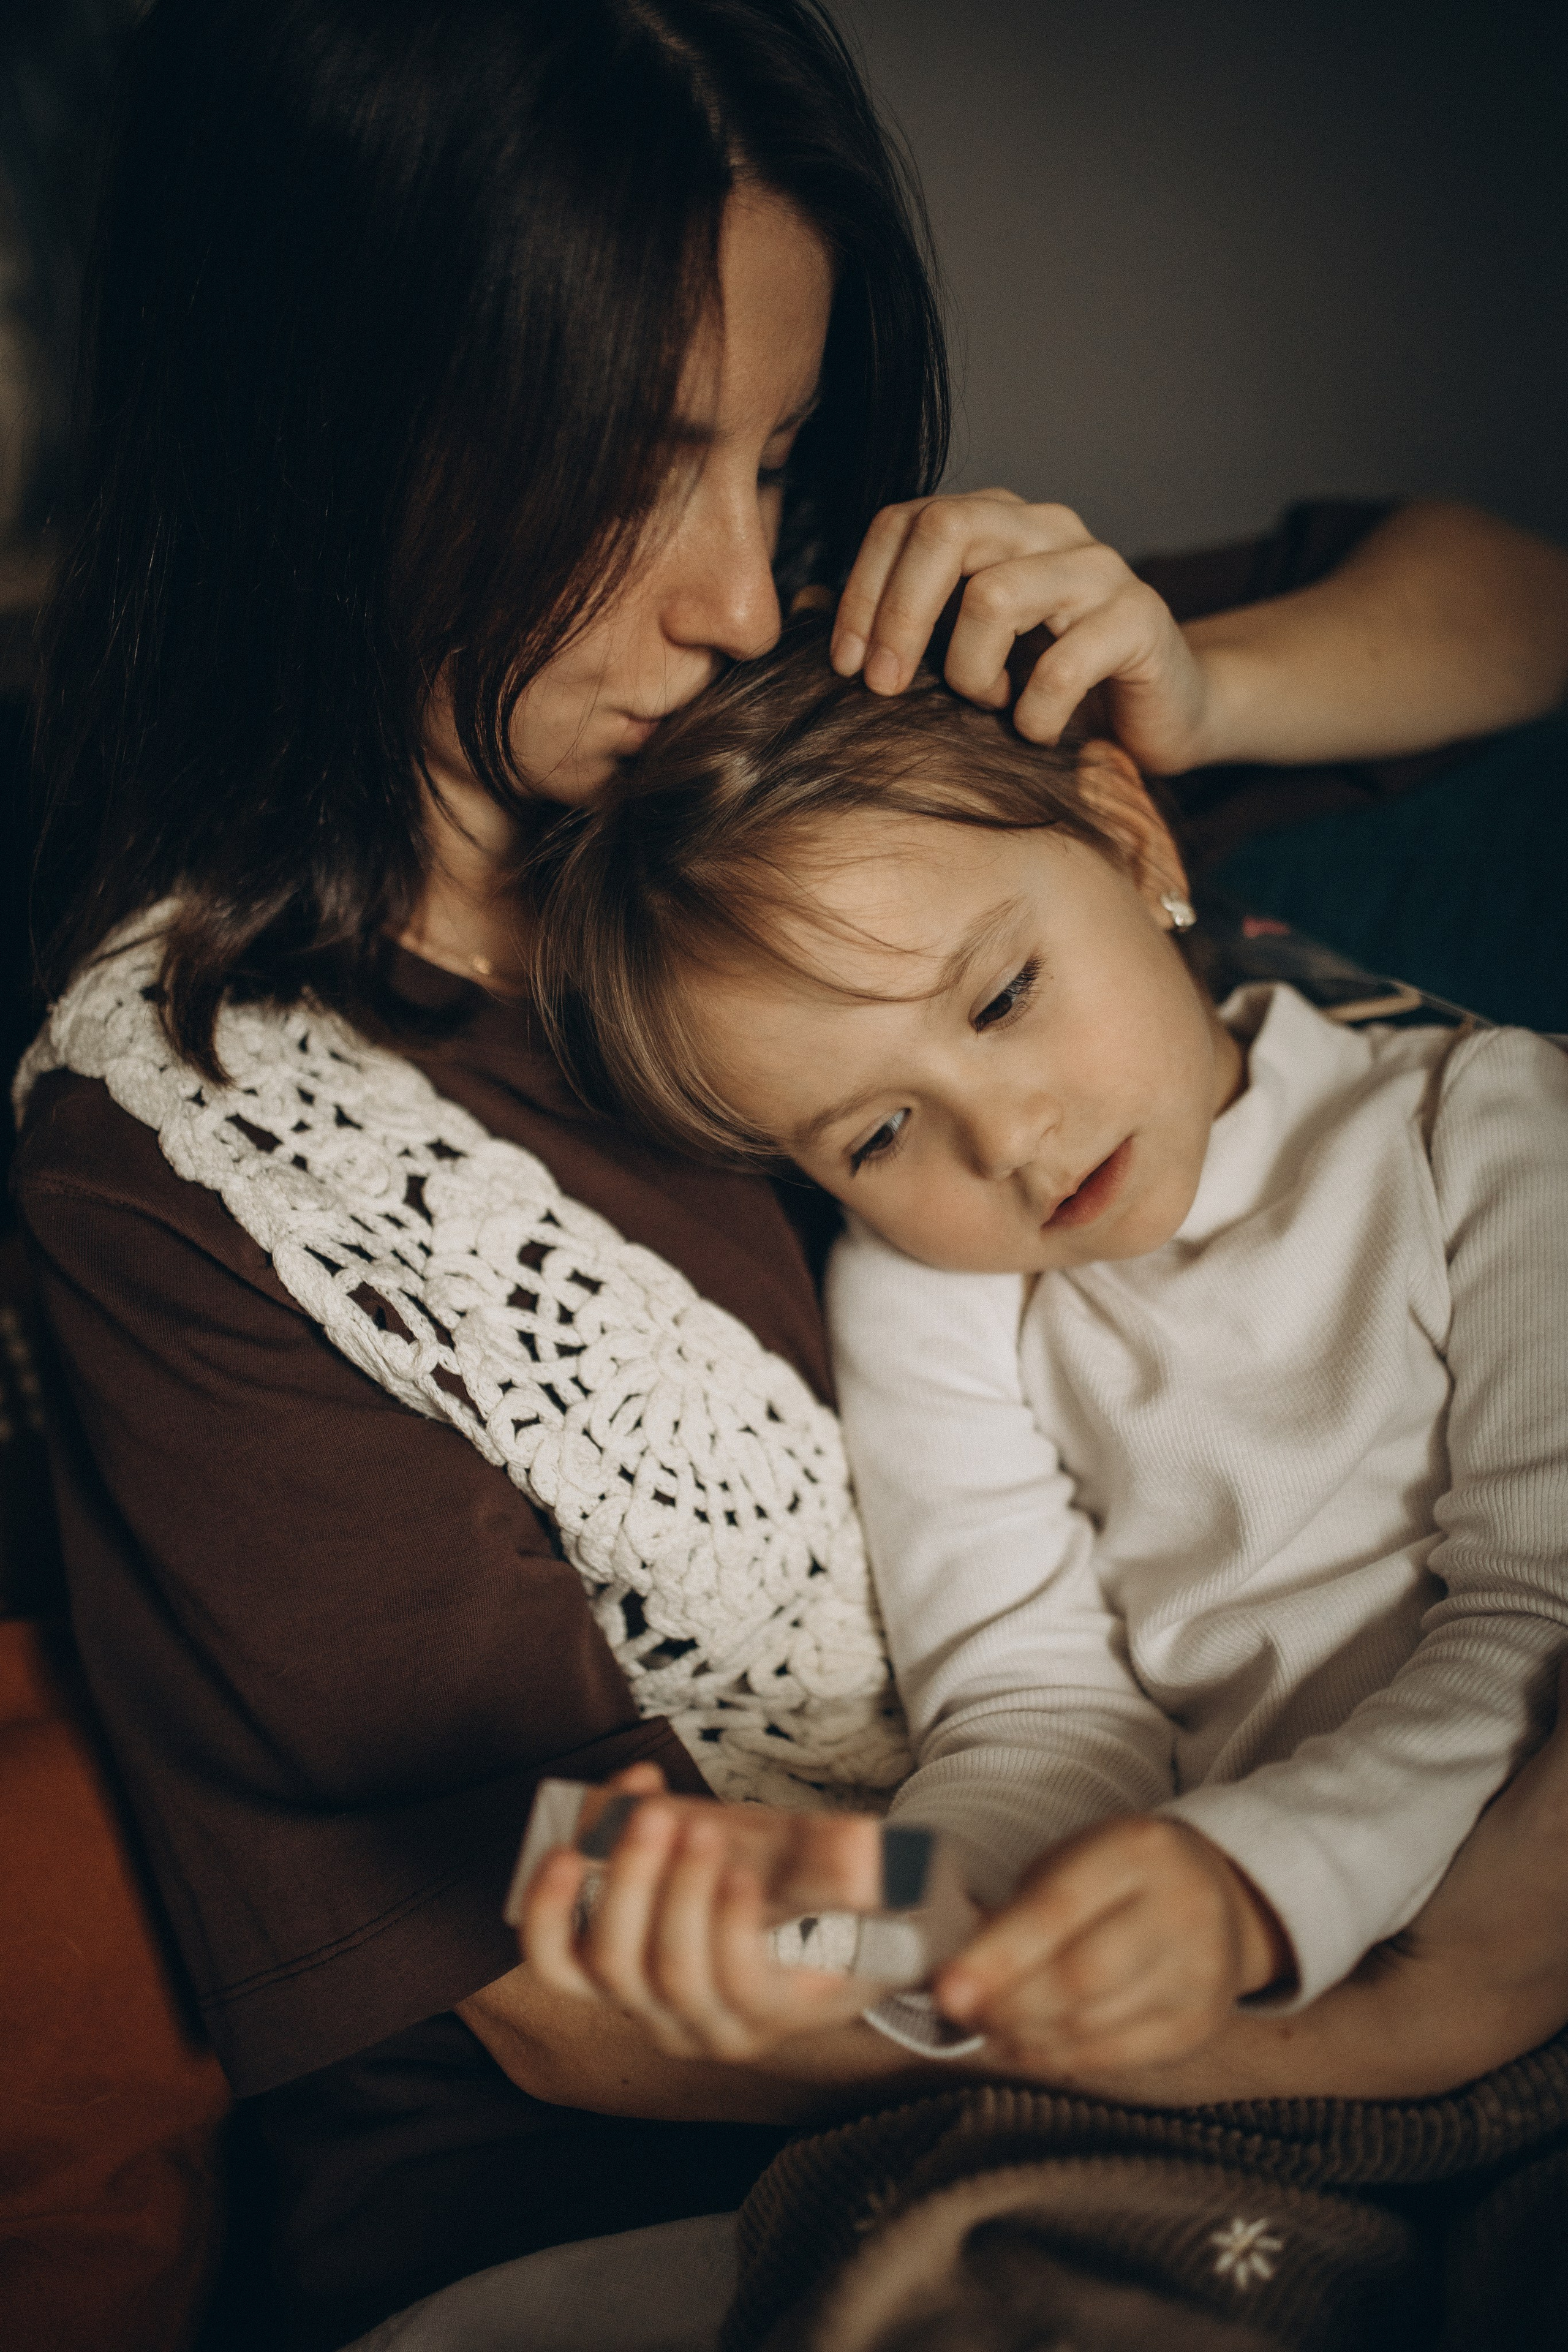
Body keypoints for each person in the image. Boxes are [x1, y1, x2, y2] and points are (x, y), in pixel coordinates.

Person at [12, 0, 1568, 2343]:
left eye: (776, 458)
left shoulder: (859, 728)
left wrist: (1199, 683)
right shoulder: (186, 1140)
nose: (737, 590)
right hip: (663, 2160)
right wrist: (1262, 1962)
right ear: (323, 428)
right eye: (630, 474)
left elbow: (1512, 597)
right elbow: (567, 1989)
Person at [522, 628, 1568, 2091]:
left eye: (1001, 997)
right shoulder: (928, 1295)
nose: (1004, 1138)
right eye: (874, 1136)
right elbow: (1034, 1716)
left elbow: (1539, 1612)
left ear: (1129, 838)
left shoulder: (1485, 1121)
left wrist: (1246, 1885)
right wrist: (868, 1912)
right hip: (1238, 1991)